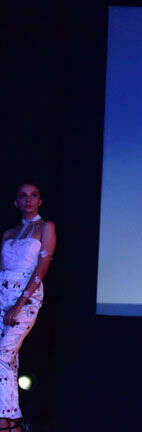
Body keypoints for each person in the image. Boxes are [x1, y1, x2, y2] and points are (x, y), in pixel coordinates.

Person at [0, 183, 55, 432]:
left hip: (26, 296)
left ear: (40, 201)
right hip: (3, 294)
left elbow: (42, 268)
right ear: (16, 202)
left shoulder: (46, 227)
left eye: (33, 195)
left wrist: (19, 303)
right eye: (23, 196)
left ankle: (6, 419)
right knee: (8, 361)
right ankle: (11, 421)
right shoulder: (9, 233)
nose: (28, 200)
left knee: (3, 354)